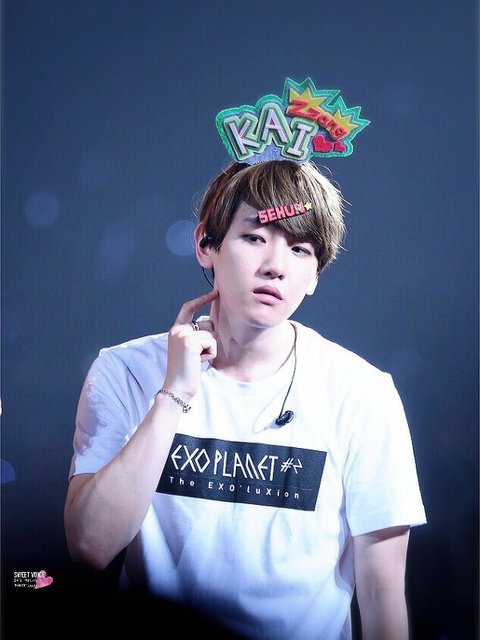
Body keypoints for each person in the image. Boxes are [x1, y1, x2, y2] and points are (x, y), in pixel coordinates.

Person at [64, 158, 426, 640]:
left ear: (315, 275)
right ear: (205, 245)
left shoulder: (362, 392)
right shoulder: (126, 370)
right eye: (254, 238)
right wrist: (174, 395)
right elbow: (91, 546)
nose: (275, 266)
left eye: (300, 249)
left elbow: (382, 596)